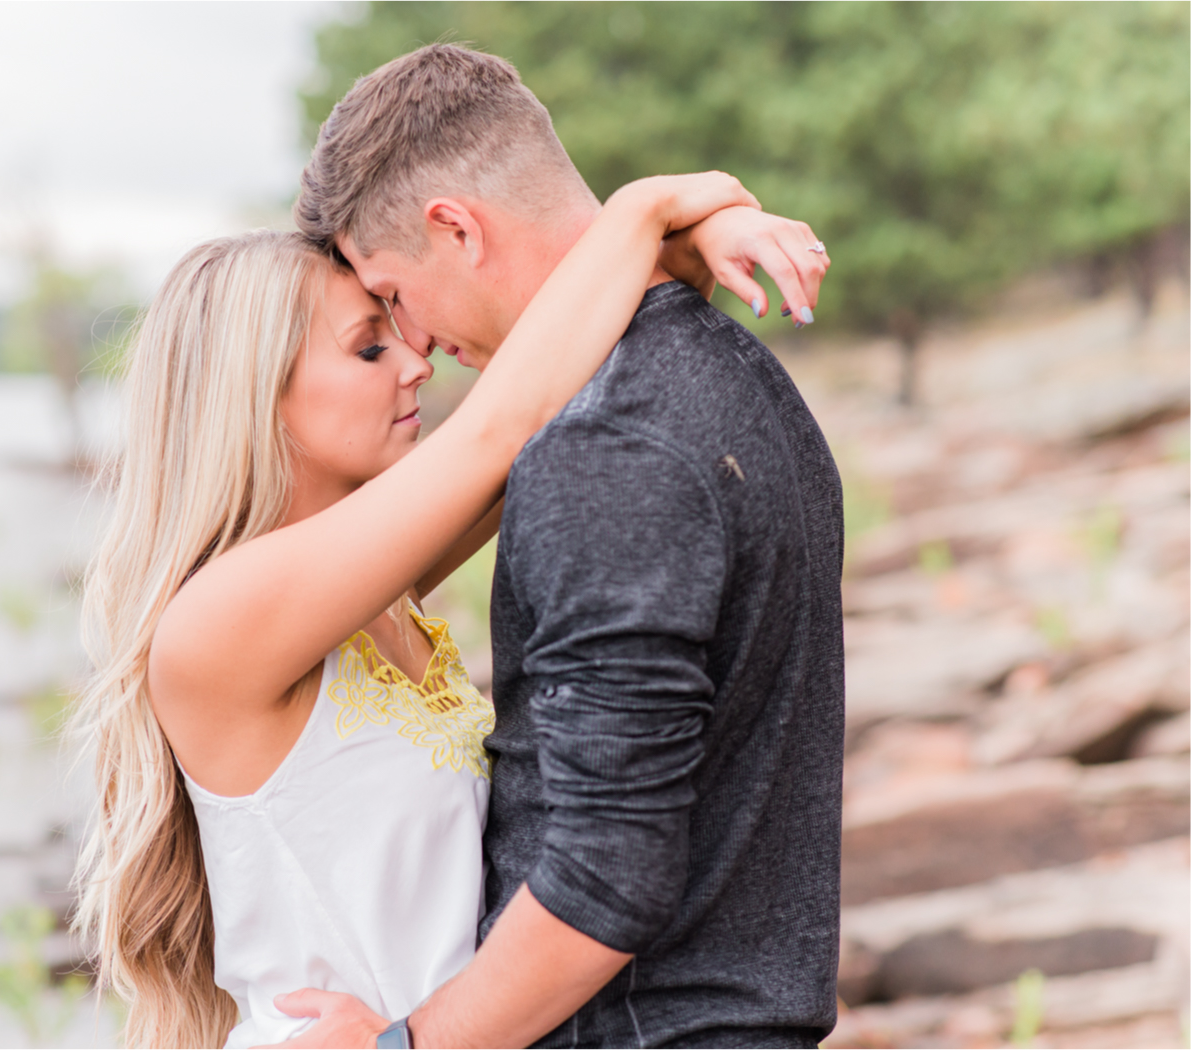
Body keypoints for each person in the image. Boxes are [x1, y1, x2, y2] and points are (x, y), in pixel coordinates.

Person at [70, 163, 825, 1047]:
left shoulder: (377, 598)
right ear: (256, 397)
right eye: (368, 348)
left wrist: (690, 249)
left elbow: (557, 394)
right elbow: (507, 422)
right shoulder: (222, 620)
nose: (417, 362)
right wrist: (645, 207)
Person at [277, 44, 846, 1049]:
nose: (415, 346)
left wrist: (401, 1046)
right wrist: (672, 228)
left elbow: (607, 877)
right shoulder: (735, 375)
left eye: (393, 295)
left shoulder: (603, 447)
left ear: (456, 228)